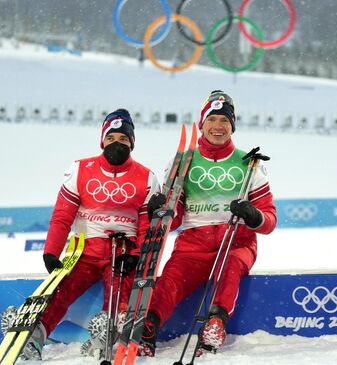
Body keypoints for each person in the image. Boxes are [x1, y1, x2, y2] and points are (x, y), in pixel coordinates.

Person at [138, 90, 277, 357]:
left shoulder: (250, 163)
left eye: (224, 121)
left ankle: (215, 324)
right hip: (193, 242)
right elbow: (174, 218)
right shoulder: (182, 162)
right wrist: (160, 210)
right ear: (202, 124)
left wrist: (252, 215)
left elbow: (269, 220)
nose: (218, 126)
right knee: (171, 279)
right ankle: (149, 326)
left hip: (236, 240)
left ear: (232, 126)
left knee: (231, 268)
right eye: (212, 119)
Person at [14, 109, 159, 360]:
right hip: (85, 248)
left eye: (124, 139)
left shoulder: (147, 177)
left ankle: (102, 338)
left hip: (122, 249)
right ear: (102, 140)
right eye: (112, 138)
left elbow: (147, 225)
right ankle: (34, 338)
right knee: (62, 290)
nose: (117, 144)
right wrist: (51, 251)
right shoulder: (80, 169)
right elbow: (62, 215)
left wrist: (136, 254)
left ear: (132, 143)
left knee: (119, 295)